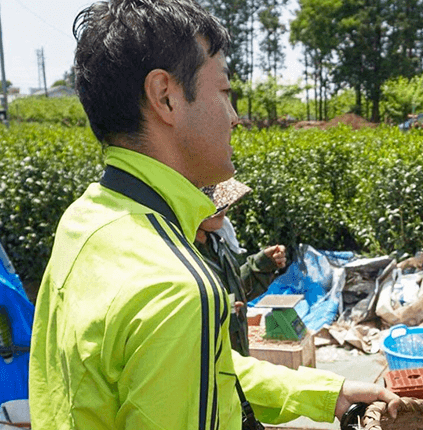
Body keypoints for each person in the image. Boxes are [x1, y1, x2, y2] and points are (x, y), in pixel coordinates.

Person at [28, 1, 399, 429]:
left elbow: (198, 369)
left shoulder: (86, 219)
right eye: (224, 92)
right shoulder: (177, 289)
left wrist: (323, 393)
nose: (235, 117)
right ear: (165, 96)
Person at [195, 178, 286, 356]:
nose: (223, 208)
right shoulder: (182, 253)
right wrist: (220, 310)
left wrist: (263, 264)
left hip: (234, 351)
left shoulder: (216, 244)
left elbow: (235, 292)